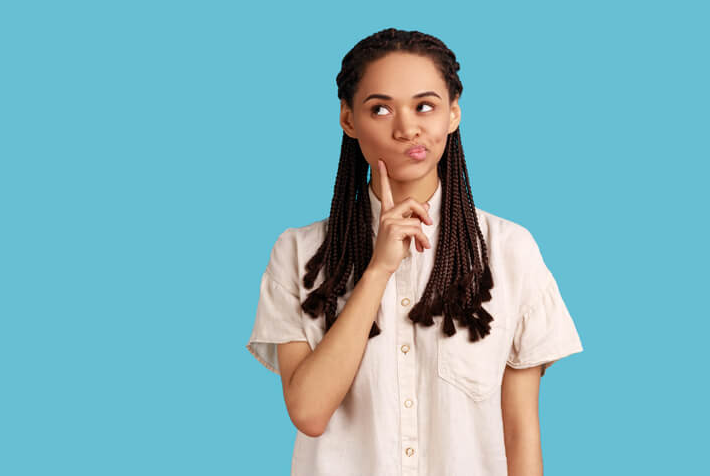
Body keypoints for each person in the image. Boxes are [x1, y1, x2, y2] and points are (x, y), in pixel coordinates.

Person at [245, 27, 583, 476]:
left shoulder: (509, 250)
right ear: (348, 120)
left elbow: (521, 434)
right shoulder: (298, 252)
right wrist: (378, 270)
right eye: (380, 109)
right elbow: (308, 412)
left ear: (454, 114)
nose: (407, 128)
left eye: (425, 106)